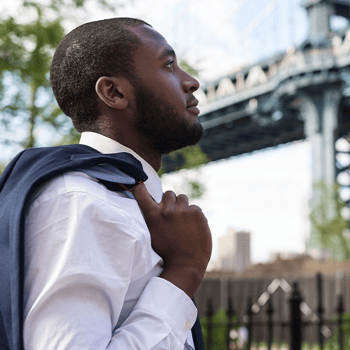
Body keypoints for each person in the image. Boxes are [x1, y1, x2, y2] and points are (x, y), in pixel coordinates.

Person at [17, 17, 212, 349]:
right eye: (169, 65)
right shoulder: (80, 201)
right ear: (114, 92)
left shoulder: (117, 199)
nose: (191, 81)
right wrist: (184, 271)